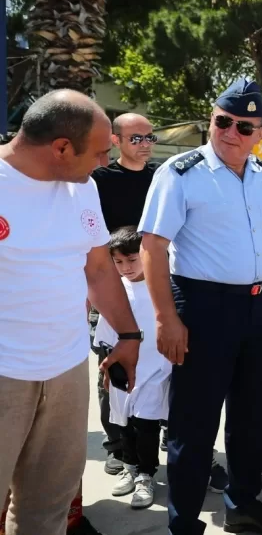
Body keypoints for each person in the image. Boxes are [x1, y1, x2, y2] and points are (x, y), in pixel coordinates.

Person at [139, 79, 262, 535]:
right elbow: (153, 247)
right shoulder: (180, 172)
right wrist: (166, 318)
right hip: (202, 307)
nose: (230, 132)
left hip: (256, 306)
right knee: (194, 425)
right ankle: (186, 533)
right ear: (212, 120)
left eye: (243, 126)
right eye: (222, 121)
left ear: (260, 132)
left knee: (251, 417)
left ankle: (243, 503)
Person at [0, 90, 142, 535]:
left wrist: (128, 335)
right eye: (101, 151)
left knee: (46, 507)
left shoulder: (84, 187)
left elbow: (98, 268)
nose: (106, 161)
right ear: (61, 147)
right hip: (3, 375)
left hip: (64, 371)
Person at [90, 112, 160, 475]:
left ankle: (155, 436)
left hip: (156, 287)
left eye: (150, 136)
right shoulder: (98, 180)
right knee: (112, 366)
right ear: (115, 140)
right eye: (137, 138)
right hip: (110, 286)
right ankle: (118, 444)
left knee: (162, 366)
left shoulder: (161, 178)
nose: (146, 143)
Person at [96, 227, 170, 511]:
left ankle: (146, 475)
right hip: (121, 369)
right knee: (123, 421)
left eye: (132, 260)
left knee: (147, 423)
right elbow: (105, 334)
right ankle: (129, 466)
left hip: (155, 368)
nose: (126, 268)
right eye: (119, 262)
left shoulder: (160, 285)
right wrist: (107, 369)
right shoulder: (114, 290)